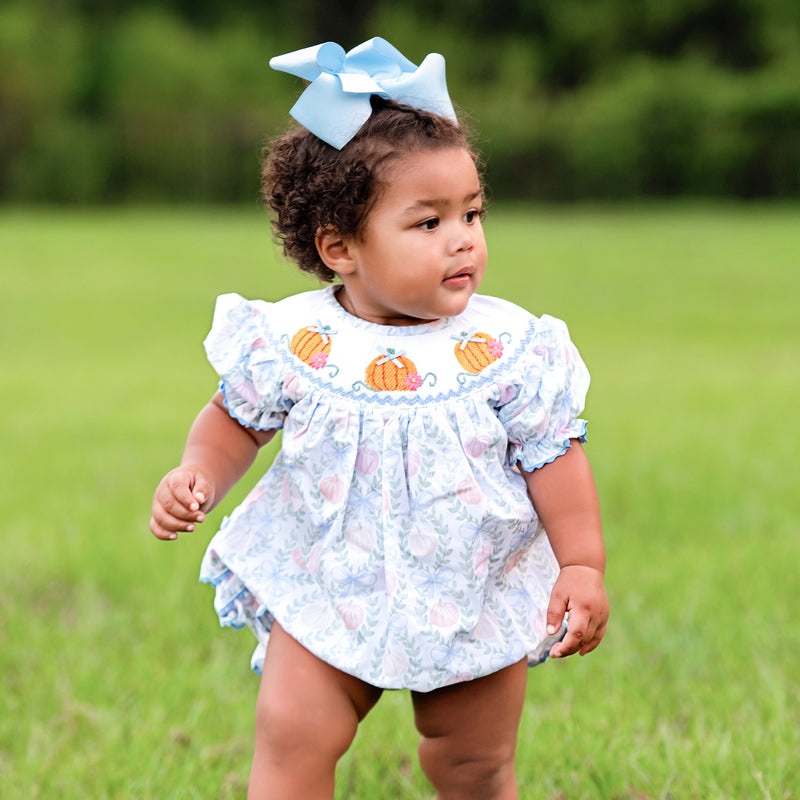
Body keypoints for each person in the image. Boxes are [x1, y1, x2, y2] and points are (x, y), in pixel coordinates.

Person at [150, 37, 608, 800]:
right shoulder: (298, 341)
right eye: (428, 223)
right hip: (330, 576)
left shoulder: (505, 349)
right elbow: (235, 418)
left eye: (472, 212)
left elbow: (553, 456)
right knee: (294, 734)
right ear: (340, 248)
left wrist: (581, 562)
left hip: (470, 583)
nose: (462, 237)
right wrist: (198, 470)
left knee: (471, 762)